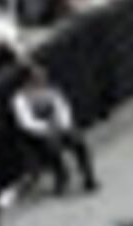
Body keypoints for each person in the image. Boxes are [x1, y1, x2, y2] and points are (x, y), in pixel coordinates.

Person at [11, 63, 96, 198]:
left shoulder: (52, 90)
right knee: (51, 145)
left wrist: (63, 125)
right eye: (37, 77)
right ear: (28, 80)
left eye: (42, 77)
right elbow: (26, 121)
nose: (42, 79)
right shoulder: (20, 98)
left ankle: (88, 175)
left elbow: (63, 108)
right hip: (38, 132)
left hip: (58, 125)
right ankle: (62, 176)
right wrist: (46, 128)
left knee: (78, 140)